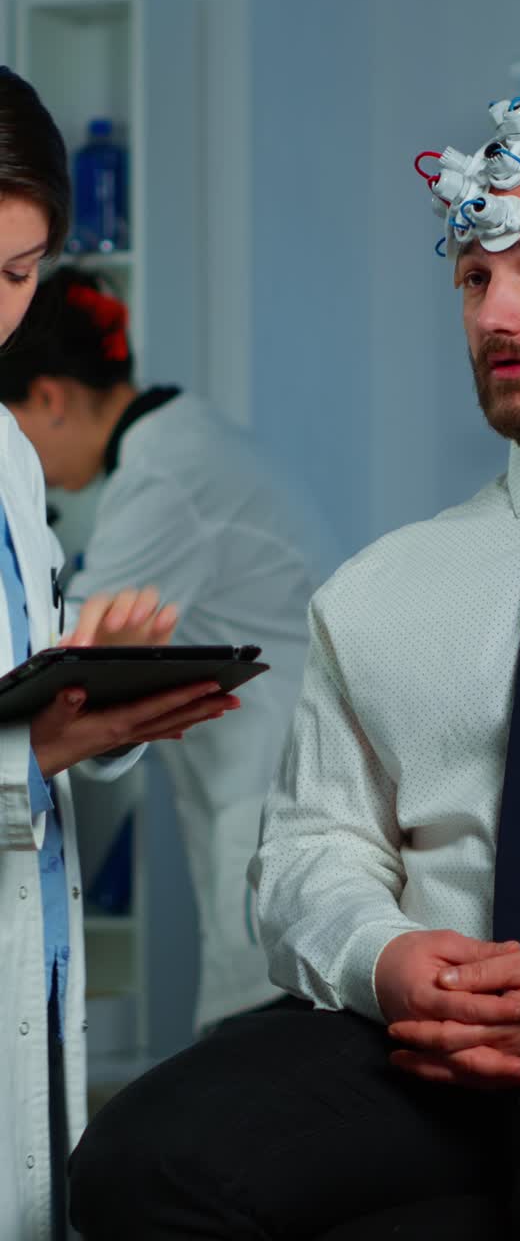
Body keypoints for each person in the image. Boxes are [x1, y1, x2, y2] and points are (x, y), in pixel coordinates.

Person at [69, 88, 520, 1240]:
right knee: (139, 1160)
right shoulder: (379, 587)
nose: (495, 311)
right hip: (419, 1031)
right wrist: (386, 955)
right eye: (474, 278)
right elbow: (313, 846)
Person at [0, 68, 242, 1241]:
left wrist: (88, 696)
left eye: (15, 272)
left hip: (28, 938)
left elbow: (27, 683)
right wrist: (28, 751)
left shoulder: (7, 450)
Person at [0, 265, 335, 1033]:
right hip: (267, 784)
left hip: (275, 796)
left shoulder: (163, 476)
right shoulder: (185, 440)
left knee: (262, 1045)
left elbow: (68, 647)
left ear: (48, 399)